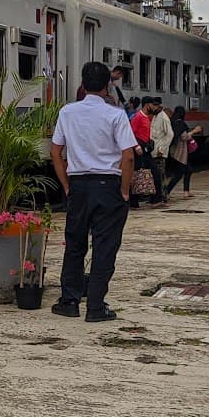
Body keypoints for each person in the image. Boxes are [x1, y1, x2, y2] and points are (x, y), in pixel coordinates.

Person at [49, 60, 137, 323]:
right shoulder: (116, 114)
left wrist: (66, 184)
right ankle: (96, 307)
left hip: (78, 186)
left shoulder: (67, 112)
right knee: (104, 248)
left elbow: (55, 151)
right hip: (108, 186)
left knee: (74, 245)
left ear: (83, 84)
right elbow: (128, 156)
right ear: (107, 84)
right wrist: (124, 190)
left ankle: (69, 301)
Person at [150, 99, 175, 206]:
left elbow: (170, 134)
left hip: (159, 151)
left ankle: (162, 196)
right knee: (157, 175)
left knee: (160, 175)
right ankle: (158, 196)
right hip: (154, 151)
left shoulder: (163, 117)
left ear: (158, 106)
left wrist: (162, 149)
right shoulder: (156, 116)